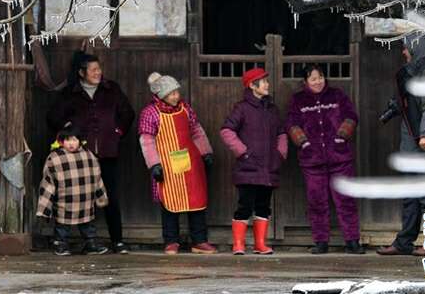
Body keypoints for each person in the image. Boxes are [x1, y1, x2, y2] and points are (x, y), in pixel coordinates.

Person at [47, 52, 135, 254]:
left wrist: (117, 131)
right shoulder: (70, 93)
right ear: (81, 72)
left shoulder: (111, 89)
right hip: (80, 157)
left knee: (110, 196)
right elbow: (52, 117)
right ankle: (78, 241)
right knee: (77, 197)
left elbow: (127, 113)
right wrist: (67, 131)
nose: (98, 73)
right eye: (93, 70)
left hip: (107, 151)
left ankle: (118, 241)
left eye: (99, 69)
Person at [377, 35, 425, 257]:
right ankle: (404, 242)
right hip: (412, 142)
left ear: (415, 48)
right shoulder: (414, 71)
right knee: (411, 195)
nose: (403, 52)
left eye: (405, 47)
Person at [286, 64, 365, 254]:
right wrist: (304, 143)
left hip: (340, 158)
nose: (318, 82)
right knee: (317, 202)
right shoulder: (298, 100)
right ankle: (321, 241)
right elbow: (291, 124)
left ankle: (352, 241)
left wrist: (341, 137)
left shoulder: (337, 95)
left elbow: (351, 117)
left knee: (346, 200)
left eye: (320, 77)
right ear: (305, 82)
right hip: (312, 161)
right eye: (313, 79)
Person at [138, 72, 217, 255]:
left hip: (190, 162)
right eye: (171, 93)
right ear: (161, 95)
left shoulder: (185, 109)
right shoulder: (150, 113)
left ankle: (199, 241)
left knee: (196, 201)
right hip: (166, 165)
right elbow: (147, 140)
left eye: (176, 92)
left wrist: (205, 152)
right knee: (170, 202)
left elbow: (196, 131)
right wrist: (154, 165)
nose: (176, 96)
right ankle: (171, 241)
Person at [220, 68, 288, 255]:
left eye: (267, 81)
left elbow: (281, 133)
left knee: (263, 207)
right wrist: (243, 152)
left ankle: (260, 244)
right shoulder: (241, 108)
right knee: (245, 206)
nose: (267, 84)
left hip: (269, 167)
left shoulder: (272, 109)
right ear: (252, 85)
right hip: (248, 167)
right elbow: (226, 131)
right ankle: (238, 244)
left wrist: (280, 154)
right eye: (263, 81)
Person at [37, 125, 109, 256]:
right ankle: (61, 244)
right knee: (62, 226)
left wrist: (101, 197)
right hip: (64, 199)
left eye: (75, 140)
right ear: (61, 141)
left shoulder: (88, 155)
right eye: (68, 140)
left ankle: (91, 244)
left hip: (85, 200)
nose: (71, 143)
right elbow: (48, 182)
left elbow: (96, 176)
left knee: (88, 224)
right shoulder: (55, 158)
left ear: (80, 141)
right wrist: (45, 206)